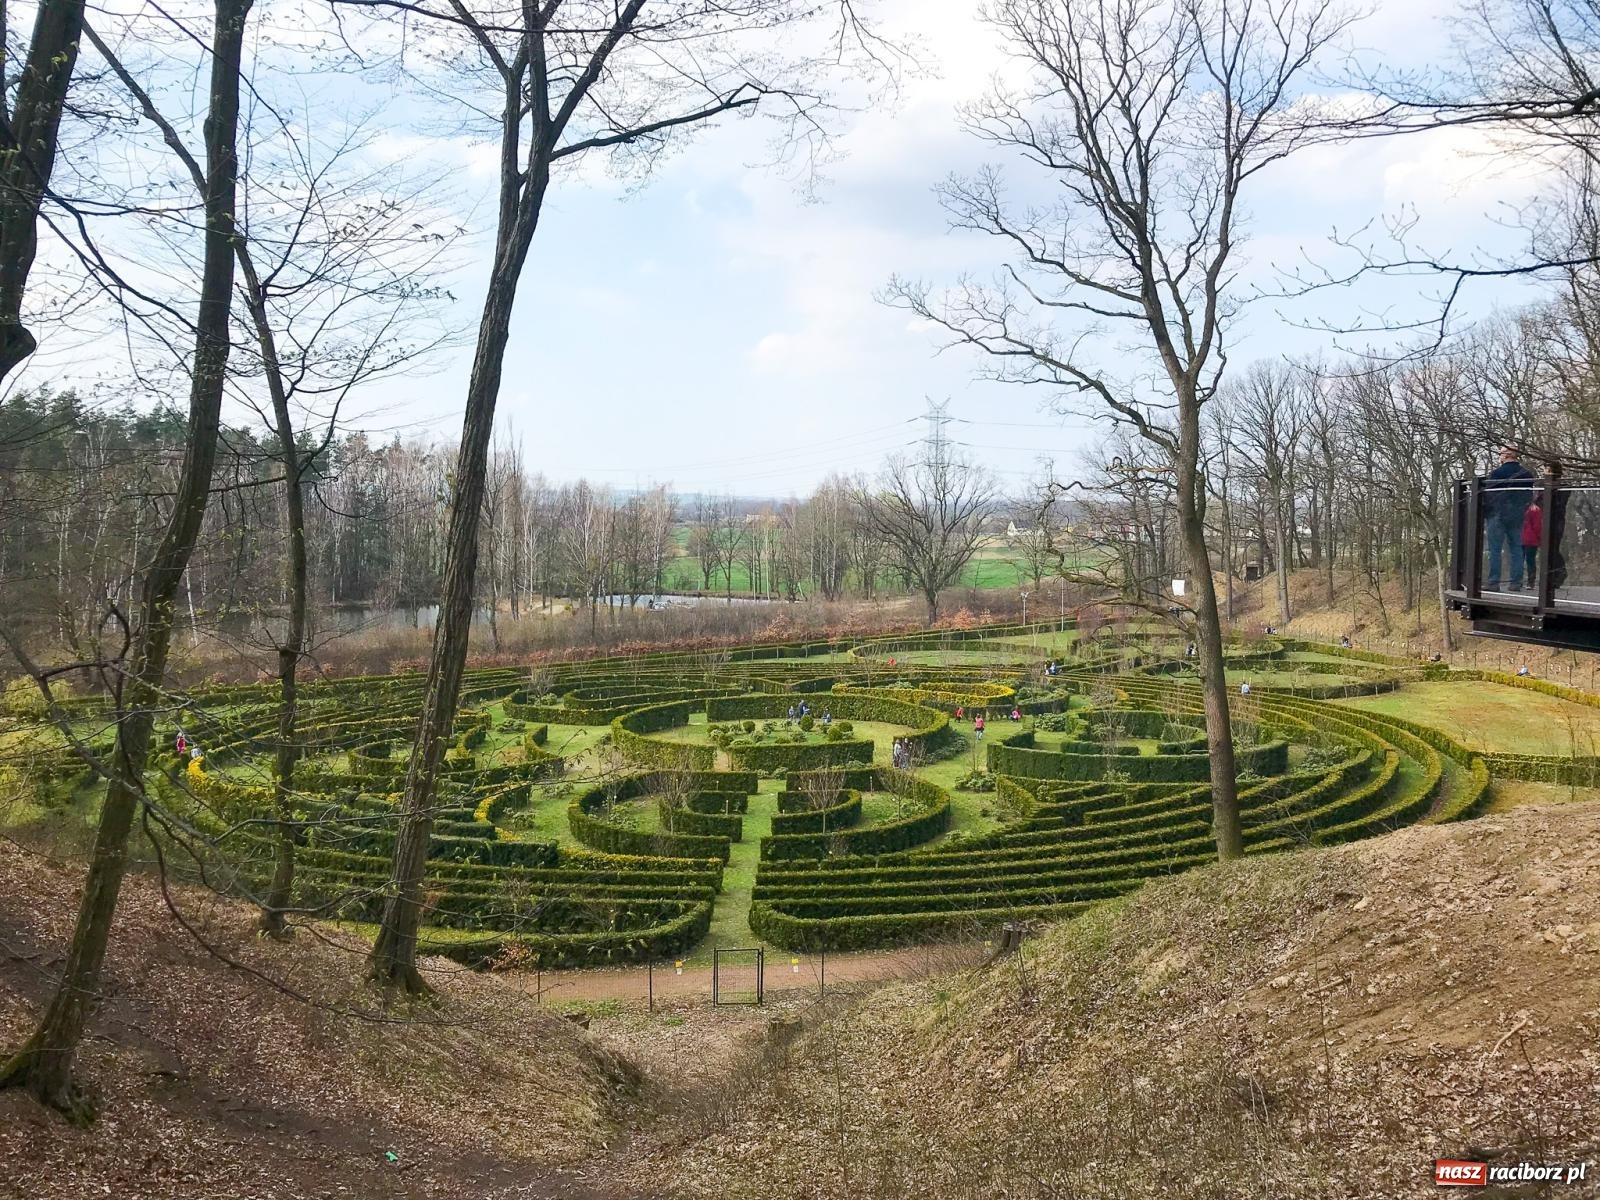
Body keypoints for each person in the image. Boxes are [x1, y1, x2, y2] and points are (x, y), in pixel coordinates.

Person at [1484, 445, 1536, 592]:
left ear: (1506, 455)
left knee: (1494, 549)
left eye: (1500, 453)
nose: (1499, 456)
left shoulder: (1497, 474)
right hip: (1518, 515)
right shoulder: (1527, 474)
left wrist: (1488, 511)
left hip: (1498, 514)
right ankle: (1516, 582)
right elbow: (1528, 495)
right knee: (1517, 548)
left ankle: (1494, 582)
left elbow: (1490, 496)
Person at [1522, 498, 1543, 587]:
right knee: (1530, 560)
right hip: (1531, 539)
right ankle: (1530, 581)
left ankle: (1520, 580)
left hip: (1525, 538)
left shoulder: (1524, 508)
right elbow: (1537, 526)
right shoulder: (1535, 510)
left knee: (1523, 559)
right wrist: (1539, 539)